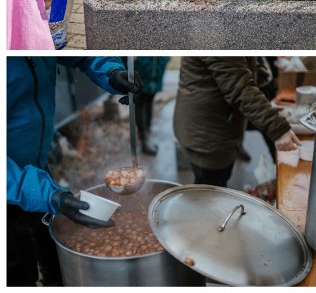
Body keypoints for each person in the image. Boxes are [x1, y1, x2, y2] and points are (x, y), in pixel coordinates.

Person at [7, 57, 141, 286]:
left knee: (50, 248)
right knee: (19, 272)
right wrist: (48, 195)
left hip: (35, 171)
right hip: (13, 183)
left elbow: (78, 52)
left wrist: (110, 71)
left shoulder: (38, 26)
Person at [173, 57, 301, 188]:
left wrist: (259, 74)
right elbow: (240, 88)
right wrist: (278, 128)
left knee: (216, 184)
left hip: (215, 122)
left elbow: (237, 66)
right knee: (209, 191)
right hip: (207, 130)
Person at [134, 56, 171, 155]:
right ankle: (144, 138)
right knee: (140, 101)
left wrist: (166, 58)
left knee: (149, 101)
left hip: (157, 66)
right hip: (142, 65)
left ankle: (147, 135)